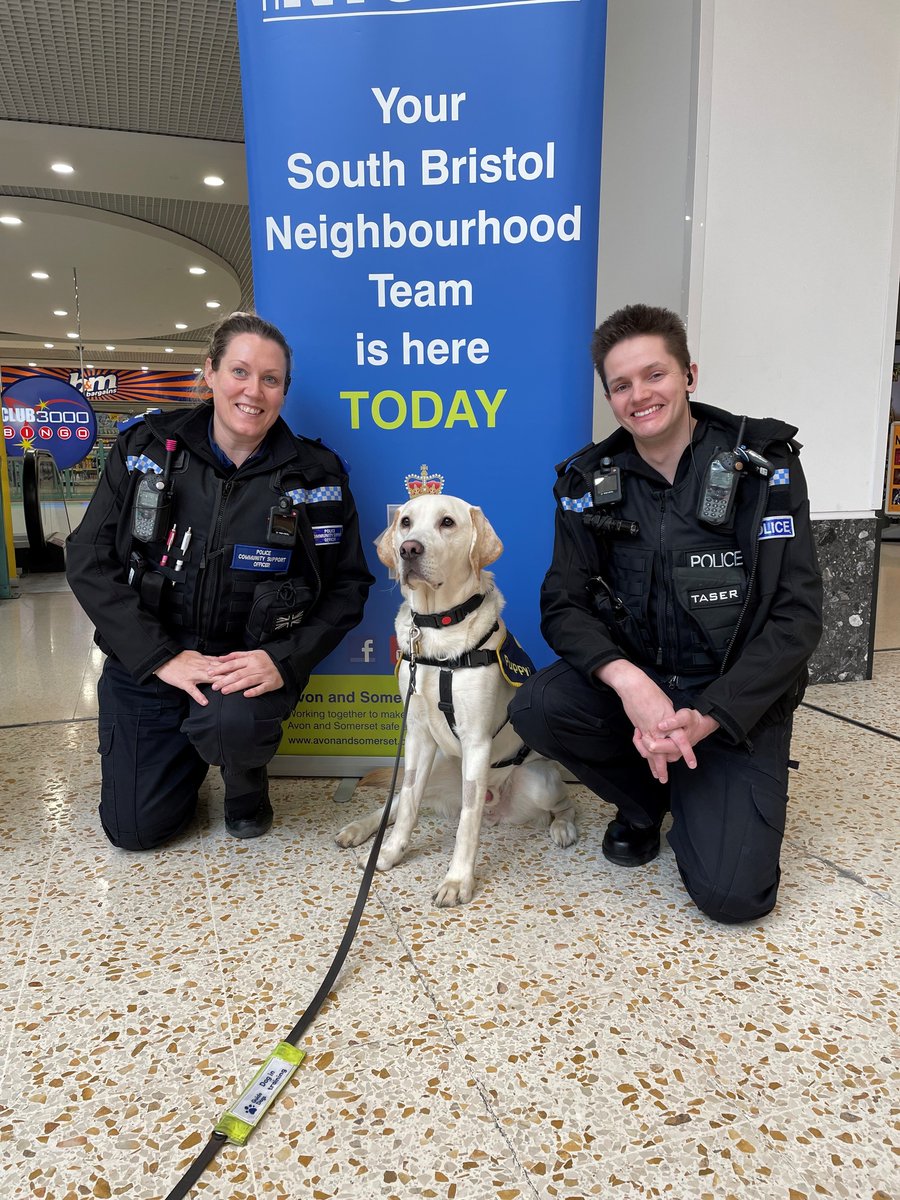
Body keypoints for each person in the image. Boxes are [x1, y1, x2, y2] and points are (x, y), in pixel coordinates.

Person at [510, 304, 822, 923]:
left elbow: (797, 616)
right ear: (609, 396)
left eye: (655, 375)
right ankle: (644, 804)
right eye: (621, 385)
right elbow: (561, 602)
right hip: (645, 685)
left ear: (689, 375)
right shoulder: (586, 481)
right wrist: (630, 684)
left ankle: (693, 778)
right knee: (537, 705)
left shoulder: (765, 466)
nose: (639, 396)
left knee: (734, 898)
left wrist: (706, 717)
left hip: (730, 700)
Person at [66, 311, 373, 849]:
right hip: (151, 658)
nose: (253, 391)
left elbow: (347, 586)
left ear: (284, 390)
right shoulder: (144, 449)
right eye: (239, 371)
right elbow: (89, 559)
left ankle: (243, 781)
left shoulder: (317, 477)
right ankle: (184, 746)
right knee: (136, 831)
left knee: (232, 723)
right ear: (209, 372)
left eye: (271, 379)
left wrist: (284, 658)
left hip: (243, 665)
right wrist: (160, 657)